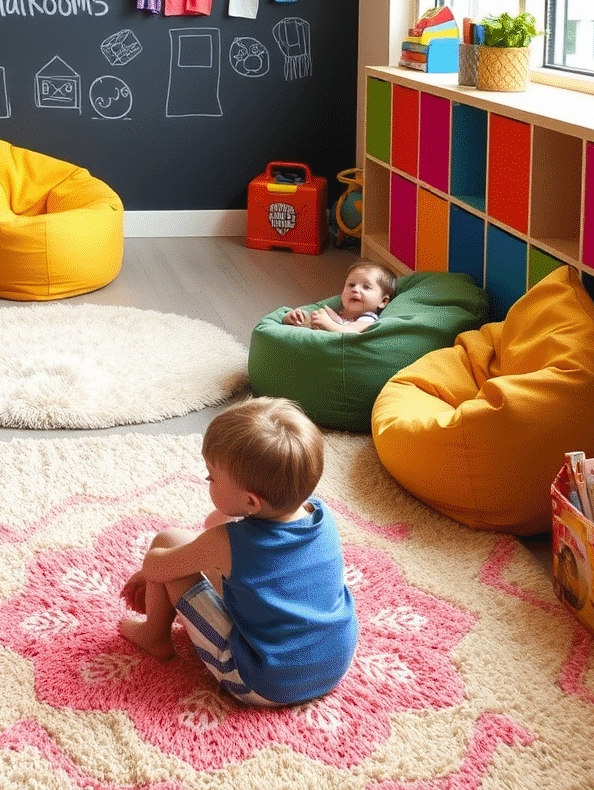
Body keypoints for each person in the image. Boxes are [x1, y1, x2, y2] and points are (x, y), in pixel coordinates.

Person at [118, 396, 358, 706]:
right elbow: (226, 533)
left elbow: (156, 567)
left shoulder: (226, 543)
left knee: (165, 541)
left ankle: (154, 635)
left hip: (263, 682)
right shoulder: (321, 516)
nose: (207, 481)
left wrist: (153, 570)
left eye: (211, 477)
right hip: (334, 663)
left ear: (251, 502)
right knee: (213, 545)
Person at [282, 260, 397, 333]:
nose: (355, 290)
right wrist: (300, 317)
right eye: (351, 285)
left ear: (383, 301)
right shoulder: (339, 314)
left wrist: (327, 323)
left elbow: (350, 333)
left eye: (366, 287)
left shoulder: (368, 318)